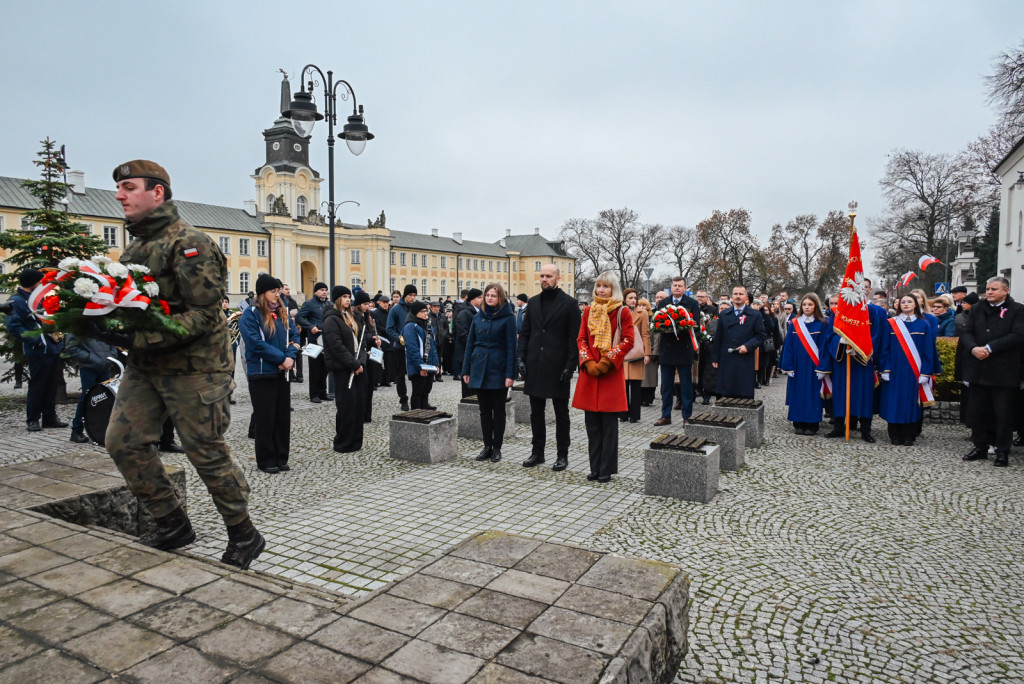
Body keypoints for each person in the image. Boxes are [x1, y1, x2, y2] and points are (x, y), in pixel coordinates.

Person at [98, 160, 263, 569]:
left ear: (158, 193)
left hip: (196, 367)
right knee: (123, 442)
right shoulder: (133, 248)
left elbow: (205, 315)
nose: (120, 194)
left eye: (129, 187)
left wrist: (136, 336)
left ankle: (244, 533)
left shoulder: (190, 243)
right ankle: (172, 522)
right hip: (146, 365)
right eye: (119, 187)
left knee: (203, 449)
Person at [517, 265, 582, 470]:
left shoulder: (570, 304)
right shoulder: (533, 302)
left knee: (561, 412)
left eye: (548, 276)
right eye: (542, 276)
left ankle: (562, 454)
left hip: (558, 365)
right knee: (536, 412)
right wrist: (521, 358)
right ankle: (538, 452)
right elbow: (525, 333)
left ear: (558, 278)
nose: (544, 279)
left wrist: (570, 365)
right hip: (535, 363)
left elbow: (575, 338)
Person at [573, 272, 634, 483]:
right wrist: (588, 362)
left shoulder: (622, 311)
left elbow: (628, 340)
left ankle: (606, 468)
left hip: (610, 374)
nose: (601, 290)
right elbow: (581, 339)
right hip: (590, 374)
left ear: (613, 289)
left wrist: (607, 361)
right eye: (598, 286)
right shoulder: (589, 310)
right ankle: (594, 466)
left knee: (609, 426)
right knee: (592, 425)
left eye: (606, 286)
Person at [960, 277, 1024, 467]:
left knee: (1002, 414)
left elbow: (1018, 335)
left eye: (994, 289)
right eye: (987, 288)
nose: (989, 292)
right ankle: (980, 446)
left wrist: (989, 348)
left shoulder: (1018, 310)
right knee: (977, 412)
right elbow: (966, 331)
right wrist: (973, 348)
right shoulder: (978, 308)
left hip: (1003, 370)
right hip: (978, 368)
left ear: (1006, 290)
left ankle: (1002, 450)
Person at [239, 274, 299, 473]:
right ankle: (266, 459)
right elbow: (256, 343)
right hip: (262, 373)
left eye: (278, 291)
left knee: (282, 418)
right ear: (263, 293)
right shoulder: (251, 314)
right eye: (273, 291)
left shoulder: (282, 313)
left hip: (282, 373)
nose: (277, 295)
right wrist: (281, 359)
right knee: (266, 418)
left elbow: (294, 336)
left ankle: (281, 456)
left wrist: (290, 357)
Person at [6, 268, 68, 432]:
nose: (42, 285)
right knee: (38, 385)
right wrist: (35, 340)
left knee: (51, 384)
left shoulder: (38, 298)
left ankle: (49, 417)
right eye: (39, 282)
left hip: (52, 347)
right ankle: (32, 419)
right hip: (38, 349)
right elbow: (13, 327)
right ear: (32, 283)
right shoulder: (17, 301)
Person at [462, 283, 517, 463]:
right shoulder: (478, 317)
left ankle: (497, 447)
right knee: (484, 410)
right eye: (487, 295)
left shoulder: (508, 318)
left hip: (498, 368)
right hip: (479, 368)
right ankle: (487, 446)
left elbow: (512, 348)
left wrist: (510, 374)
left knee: (498, 410)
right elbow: (470, 344)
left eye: (493, 295)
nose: (490, 298)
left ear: (500, 297)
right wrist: (466, 370)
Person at [878, 294, 937, 446]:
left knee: (911, 403)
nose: (905, 304)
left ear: (916, 305)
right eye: (903, 302)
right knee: (894, 402)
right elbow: (884, 347)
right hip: (895, 370)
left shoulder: (924, 324)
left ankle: (909, 435)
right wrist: (885, 368)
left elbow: (928, 350)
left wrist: (925, 372)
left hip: (914, 371)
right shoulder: (890, 323)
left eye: (909, 301)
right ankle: (894, 435)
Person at [323, 285, 370, 453]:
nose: (348, 299)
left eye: (349, 296)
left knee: (358, 405)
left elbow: (362, 344)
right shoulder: (331, 319)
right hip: (343, 369)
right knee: (346, 406)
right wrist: (353, 364)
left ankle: (356, 441)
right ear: (337, 299)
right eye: (344, 296)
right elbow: (337, 347)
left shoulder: (353, 317)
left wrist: (361, 363)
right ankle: (343, 442)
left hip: (357, 368)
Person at [778, 294, 830, 435]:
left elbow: (825, 347)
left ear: (816, 306)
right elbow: (788, 345)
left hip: (814, 365)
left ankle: (812, 424)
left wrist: (823, 368)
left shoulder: (823, 323)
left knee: (813, 394)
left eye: (810, 304)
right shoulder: (795, 323)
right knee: (798, 394)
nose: (807, 307)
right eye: (804, 304)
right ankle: (798, 423)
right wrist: (788, 366)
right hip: (798, 365)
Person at [653, 277, 701, 426]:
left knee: (686, 385)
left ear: (685, 288)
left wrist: (681, 327)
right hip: (667, 349)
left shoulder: (692, 304)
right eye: (675, 285)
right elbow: (656, 323)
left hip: (684, 348)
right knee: (666, 386)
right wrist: (664, 328)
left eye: (680, 286)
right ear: (671, 287)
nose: (677, 288)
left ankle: (687, 416)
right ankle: (665, 415)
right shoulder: (664, 303)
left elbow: (696, 325)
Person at [712, 286, 766, 399]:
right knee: (726, 392)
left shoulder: (755, 315)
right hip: (727, 357)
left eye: (740, 294)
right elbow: (718, 337)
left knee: (744, 392)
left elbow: (761, 335)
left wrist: (748, 346)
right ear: (732, 297)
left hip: (745, 358)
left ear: (746, 297)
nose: (737, 296)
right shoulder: (724, 314)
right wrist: (715, 357)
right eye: (735, 294)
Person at [65, 333, 119, 443]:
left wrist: (111, 356)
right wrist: (89, 357)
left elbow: (112, 341)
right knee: (87, 398)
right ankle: (76, 430)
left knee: (104, 399)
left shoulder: (102, 322)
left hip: (105, 367)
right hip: (88, 368)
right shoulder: (79, 324)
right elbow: (71, 347)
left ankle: (102, 430)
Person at [295, 282, 332, 403]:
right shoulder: (309, 304)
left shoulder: (329, 304)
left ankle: (323, 392)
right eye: (321, 290)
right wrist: (310, 326)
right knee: (315, 368)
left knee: (325, 367)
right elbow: (299, 317)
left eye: (326, 290)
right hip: (314, 340)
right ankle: (314, 394)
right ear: (316, 291)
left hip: (327, 340)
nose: (324, 292)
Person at [386, 284, 418, 411]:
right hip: (400, 347)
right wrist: (399, 338)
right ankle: (403, 399)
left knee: (416, 374)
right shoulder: (395, 309)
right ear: (405, 295)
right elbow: (389, 329)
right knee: (400, 375)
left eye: (414, 295)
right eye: (410, 295)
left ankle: (417, 399)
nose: (412, 298)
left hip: (414, 347)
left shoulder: (415, 309)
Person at [404, 300, 440, 409]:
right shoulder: (410, 327)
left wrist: (436, 364)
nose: (426, 313)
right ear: (415, 313)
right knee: (418, 391)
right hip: (418, 366)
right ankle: (416, 413)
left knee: (426, 389)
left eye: (426, 311)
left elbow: (433, 347)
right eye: (422, 311)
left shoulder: (427, 325)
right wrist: (420, 366)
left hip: (429, 363)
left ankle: (425, 406)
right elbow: (412, 349)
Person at [621, 289, 651, 423]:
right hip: (623, 351)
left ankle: (634, 415)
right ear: (624, 299)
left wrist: (647, 353)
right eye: (630, 298)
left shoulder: (642, 313)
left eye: (635, 297)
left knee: (636, 385)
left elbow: (646, 334)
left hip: (637, 351)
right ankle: (623, 413)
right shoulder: (620, 312)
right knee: (623, 385)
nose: (633, 300)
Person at [453, 288, 483, 398]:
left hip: (477, 354)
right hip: (466, 353)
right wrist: (476, 345)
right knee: (468, 386)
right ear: (472, 300)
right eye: (479, 298)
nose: (482, 300)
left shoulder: (479, 312)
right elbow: (463, 335)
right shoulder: (464, 313)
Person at [639, 298, 660, 407]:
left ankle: (648, 398)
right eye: (640, 305)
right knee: (641, 378)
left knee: (650, 377)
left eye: (644, 306)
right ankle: (641, 398)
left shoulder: (653, 321)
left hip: (651, 352)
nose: (642, 308)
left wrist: (655, 352)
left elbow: (657, 338)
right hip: (639, 353)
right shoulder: (637, 318)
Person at [279, 283, 302, 382]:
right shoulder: (281, 301)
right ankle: (291, 374)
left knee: (298, 353)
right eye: (286, 289)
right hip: (285, 328)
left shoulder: (292, 301)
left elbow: (298, 314)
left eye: (289, 289)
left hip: (293, 327)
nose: (288, 291)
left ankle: (299, 375)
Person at [757, 301, 782, 387]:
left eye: (767, 310)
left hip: (770, 343)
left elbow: (776, 331)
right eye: (764, 310)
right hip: (761, 343)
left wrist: (777, 344)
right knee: (761, 363)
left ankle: (767, 379)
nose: (765, 312)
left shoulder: (773, 319)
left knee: (770, 362)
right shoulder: (759, 319)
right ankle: (760, 379)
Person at [371, 295, 392, 387]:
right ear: (379, 302)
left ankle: (386, 380)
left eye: (387, 302)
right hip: (379, 337)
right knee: (377, 361)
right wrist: (387, 330)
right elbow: (376, 326)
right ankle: (375, 380)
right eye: (384, 302)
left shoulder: (389, 313)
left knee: (388, 360)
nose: (386, 304)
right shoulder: (374, 313)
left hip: (388, 339)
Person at [429, 300, 446, 382]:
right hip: (432, 340)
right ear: (431, 308)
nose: (436, 308)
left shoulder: (442, 316)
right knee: (431, 358)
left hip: (440, 340)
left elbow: (446, 326)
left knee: (439, 358)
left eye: (438, 307)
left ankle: (438, 375)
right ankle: (431, 375)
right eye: (434, 307)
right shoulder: (428, 316)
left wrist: (444, 334)